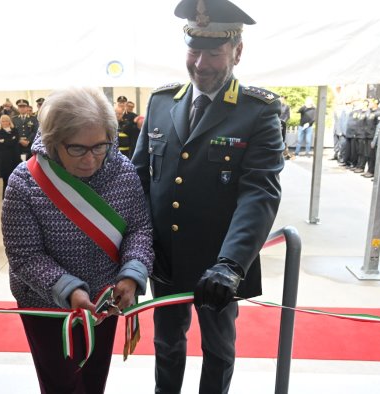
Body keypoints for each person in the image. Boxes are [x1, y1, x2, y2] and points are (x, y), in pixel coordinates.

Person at [131, 0, 284, 392]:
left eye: (214, 53)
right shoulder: (162, 102)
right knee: (166, 343)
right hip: (164, 258)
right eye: (194, 51)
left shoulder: (257, 111)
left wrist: (231, 264)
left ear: (237, 51)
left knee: (218, 349)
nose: (201, 64)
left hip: (219, 265)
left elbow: (259, 192)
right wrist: (133, 247)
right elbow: (137, 179)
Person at [1, 87, 153, 394]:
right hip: (46, 305)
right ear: (54, 141)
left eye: (100, 146)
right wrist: (67, 289)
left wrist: (132, 275)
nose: (91, 159)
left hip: (104, 300)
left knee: (95, 380)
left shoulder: (122, 171)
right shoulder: (25, 182)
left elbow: (139, 229)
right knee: (62, 385)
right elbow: (24, 256)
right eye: (78, 149)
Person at [0, 114, 21, 198]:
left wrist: (4, 141)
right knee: (6, 177)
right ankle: (6, 195)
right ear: (0, 122)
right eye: (3, 121)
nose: (5, 122)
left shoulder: (15, 130)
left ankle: (17, 195)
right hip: (4, 158)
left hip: (14, 157)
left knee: (16, 177)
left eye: (6, 120)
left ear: (9, 122)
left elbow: (16, 140)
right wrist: (11, 140)